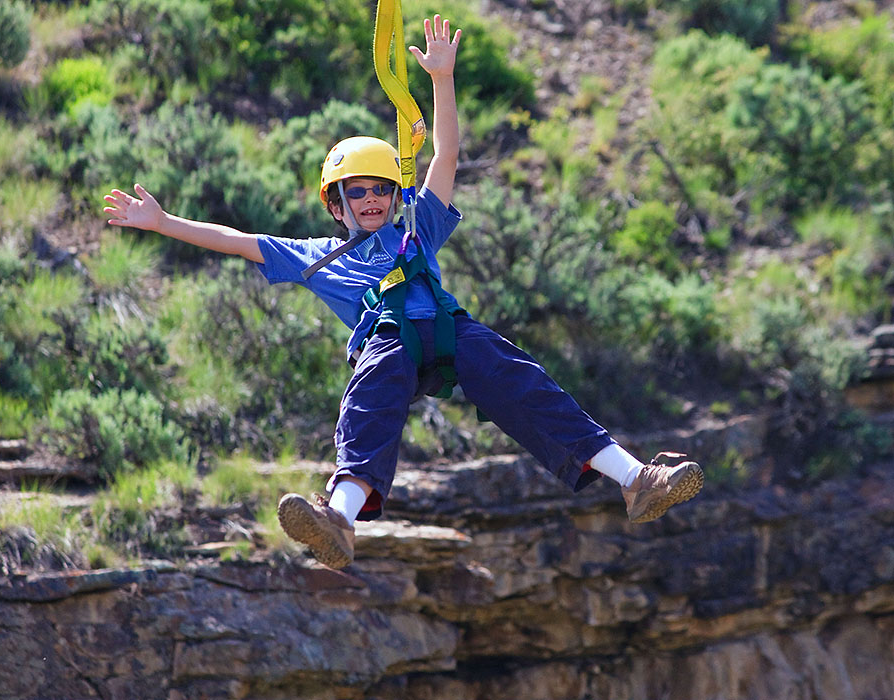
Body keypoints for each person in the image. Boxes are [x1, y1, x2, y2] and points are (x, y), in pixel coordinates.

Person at [103, 14, 703, 571]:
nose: (369, 200)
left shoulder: (418, 225)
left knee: (521, 381)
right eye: (355, 192)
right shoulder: (316, 258)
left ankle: (634, 480)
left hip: (450, 333)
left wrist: (441, 79)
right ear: (336, 204)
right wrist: (164, 224)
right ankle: (337, 521)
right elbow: (236, 239)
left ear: (394, 194)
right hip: (388, 344)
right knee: (371, 400)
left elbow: (445, 155)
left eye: (379, 190)